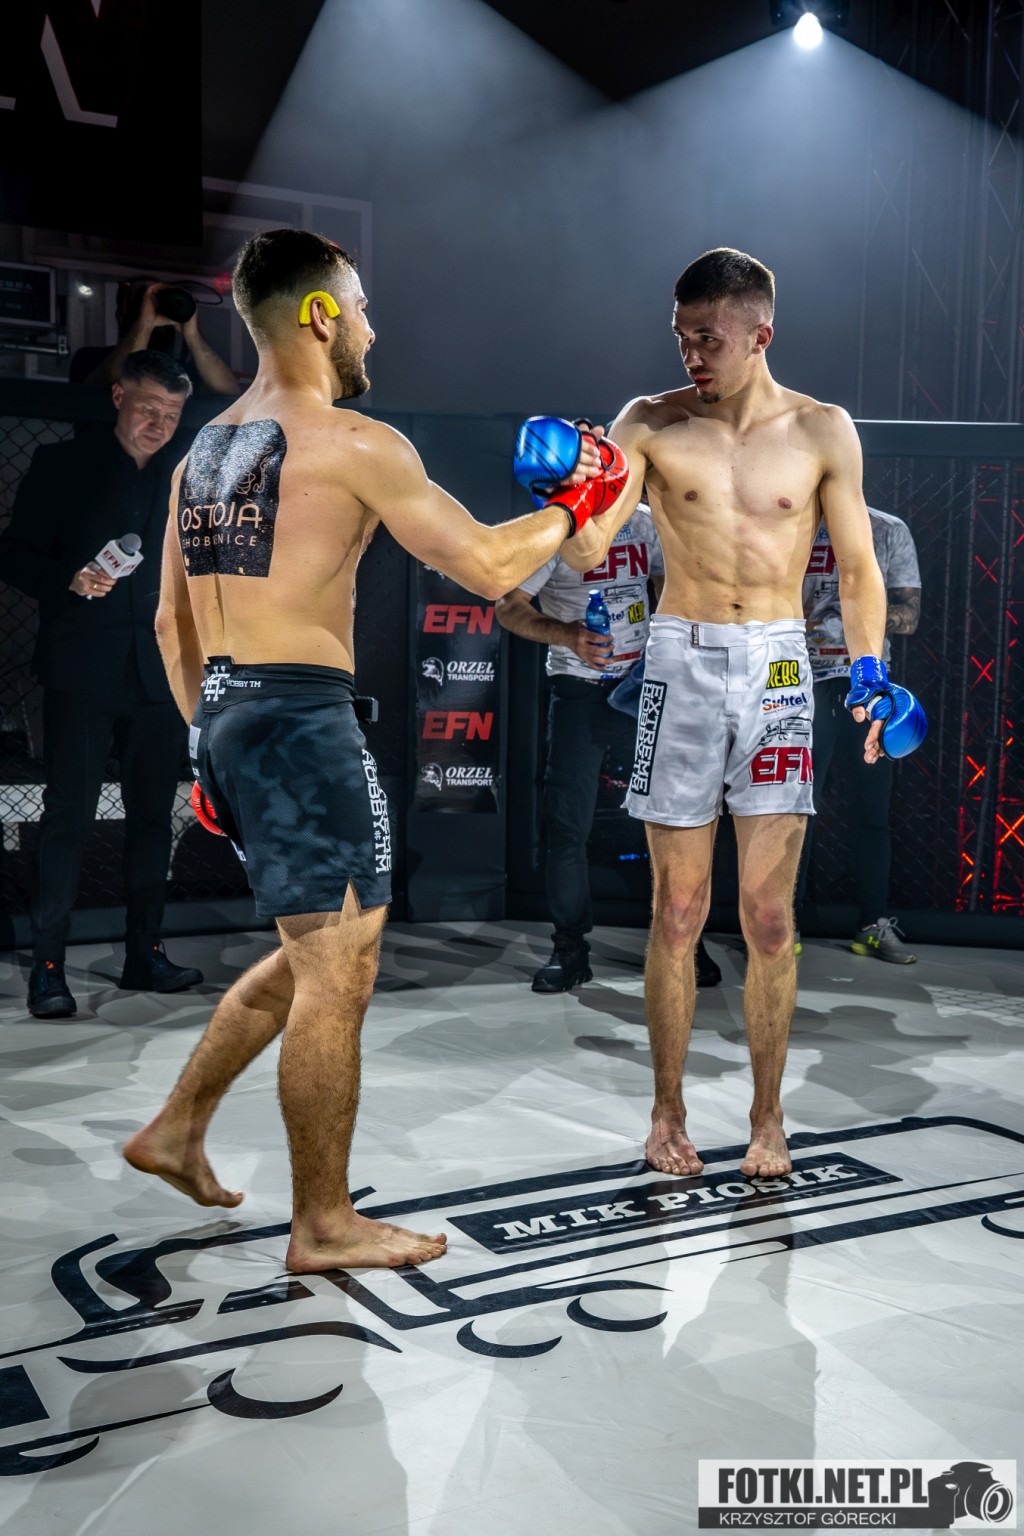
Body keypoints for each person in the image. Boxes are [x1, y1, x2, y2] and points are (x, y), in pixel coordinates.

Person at [122, 228, 616, 1273]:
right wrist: (575, 506)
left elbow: (170, 622)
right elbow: (488, 566)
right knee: (339, 974)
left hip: (225, 711)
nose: (371, 329)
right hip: (300, 720)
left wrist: (205, 742)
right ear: (318, 315)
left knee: (316, 949)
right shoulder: (354, 442)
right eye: (359, 307)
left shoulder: (202, 450)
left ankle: (176, 1129)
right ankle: (324, 1222)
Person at [559, 246, 915, 1180]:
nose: (691, 354)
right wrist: (568, 492)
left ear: (760, 335)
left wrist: (870, 671)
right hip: (678, 656)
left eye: (708, 337)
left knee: (767, 915)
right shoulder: (647, 421)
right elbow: (591, 549)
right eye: (681, 337)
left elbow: (860, 567)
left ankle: (768, 1118)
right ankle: (666, 1114)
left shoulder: (823, 429)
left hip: (782, 664)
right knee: (677, 910)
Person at [0, 350, 205, 1018]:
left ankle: (145, 955)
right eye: (148, 408)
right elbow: (13, 553)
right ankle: (48, 970)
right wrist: (69, 578)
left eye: (171, 413)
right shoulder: (63, 465)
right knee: (68, 817)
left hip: (160, 672)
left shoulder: (189, 474)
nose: (159, 423)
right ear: (118, 398)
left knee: (153, 818)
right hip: (82, 668)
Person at [495, 509, 723, 992]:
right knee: (567, 824)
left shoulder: (645, 521)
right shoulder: (556, 527)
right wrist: (568, 635)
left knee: (676, 822)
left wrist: (670, 642)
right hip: (579, 688)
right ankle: (569, 948)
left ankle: (684, 942)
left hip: (644, 686)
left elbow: (668, 581)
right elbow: (508, 606)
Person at [795, 507, 922, 961]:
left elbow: (910, 615)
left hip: (868, 687)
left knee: (872, 809)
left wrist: (856, 617)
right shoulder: (794, 521)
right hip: (802, 681)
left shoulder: (887, 529)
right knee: (794, 809)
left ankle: (873, 924)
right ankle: (782, 923)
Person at [71, 279, 240, 396]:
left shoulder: (184, 372)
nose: (155, 309)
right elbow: (109, 385)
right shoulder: (89, 358)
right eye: (144, 301)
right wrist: (145, 324)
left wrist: (192, 334)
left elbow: (229, 392)